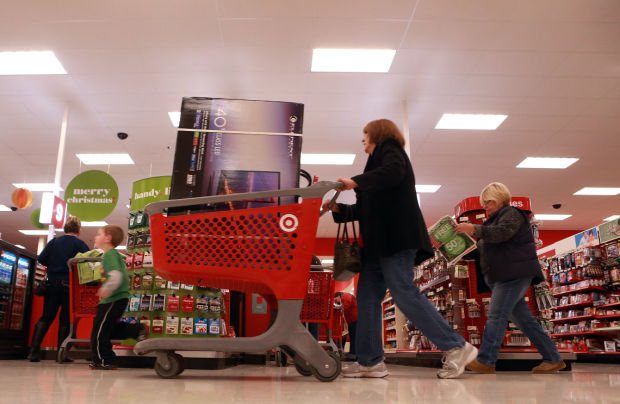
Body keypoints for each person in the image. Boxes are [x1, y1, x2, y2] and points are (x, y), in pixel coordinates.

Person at [323, 119, 477, 379]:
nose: (363, 139)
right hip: (376, 246)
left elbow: (393, 172)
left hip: (396, 240)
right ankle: (370, 361)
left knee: (403, 292)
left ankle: (457, 347)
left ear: (378, 134)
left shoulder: (390, 149)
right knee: (367, 299)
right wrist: (340, 209)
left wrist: (355, 182)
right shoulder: (374, 166)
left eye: (366, 134)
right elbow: (365, 211)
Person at [455, 182, 565, 374]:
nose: (486, 207)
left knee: (496, 316)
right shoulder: (494, 220)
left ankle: (486, 361)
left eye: (488, 202)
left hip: (513, 274)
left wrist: (472, 227)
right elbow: (489, 244)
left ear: (499, 198)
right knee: (525, 321)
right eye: (484, 203)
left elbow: (502, 233)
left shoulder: (511, 214)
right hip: (505, 274)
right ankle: (553, 358)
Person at [28, 216, 90, 362]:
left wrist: (54, 263)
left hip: (52, 284)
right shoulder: (80, 244)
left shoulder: (54, 242)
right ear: (79, 229)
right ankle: (61, 355)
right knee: (65, 320)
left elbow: (41, 258)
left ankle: (33, 352)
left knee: (47, 317)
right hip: (70, 286)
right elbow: (87, 263)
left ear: (65, 228)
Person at [90, 225, 142, 370]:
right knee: (107, 328)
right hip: (116, 298)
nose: (95, 237)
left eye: (98, 234)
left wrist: (106, 289)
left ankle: (104, 360)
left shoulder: (110, 254)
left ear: (108, 238)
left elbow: (116, 275)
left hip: (113, 298)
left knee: (99, 331)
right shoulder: (112, 254)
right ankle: (137, 330)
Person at [334, 291, 357, 360]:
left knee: (354, 338)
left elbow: (347, 304)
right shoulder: (344, 297)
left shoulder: (345, 295)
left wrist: (339, 307)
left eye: (335, 299)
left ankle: (354, 355)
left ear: (338, 296)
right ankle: (353, 355)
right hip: (352, 320)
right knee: (353, 338)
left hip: (355, 319)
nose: (336, 301)